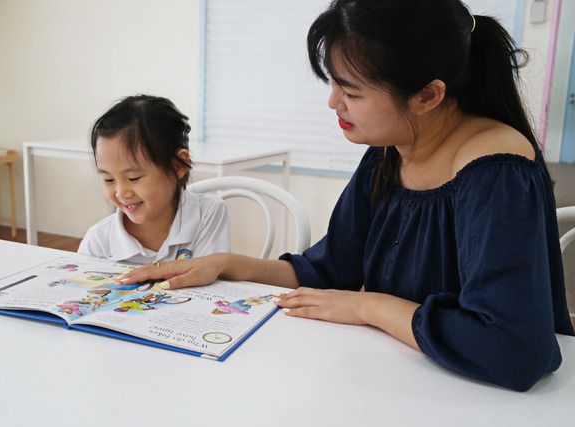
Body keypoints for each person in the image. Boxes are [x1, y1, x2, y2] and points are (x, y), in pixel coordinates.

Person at [117, 1, 574, 391]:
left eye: (350, 90)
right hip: (405, 379)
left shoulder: (494, 169)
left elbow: (512, 349)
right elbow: (331, 270)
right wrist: (225, 264)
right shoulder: (391, 147)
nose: (334, 103)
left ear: (428, 94)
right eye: (333, 83)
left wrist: (368, 305)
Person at [78, 95, 231, 264]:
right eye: (108, 180)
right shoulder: (98, 241)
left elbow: (213, 277)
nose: (122, 193)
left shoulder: (207, 213)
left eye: (133, 178)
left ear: (177, 166)